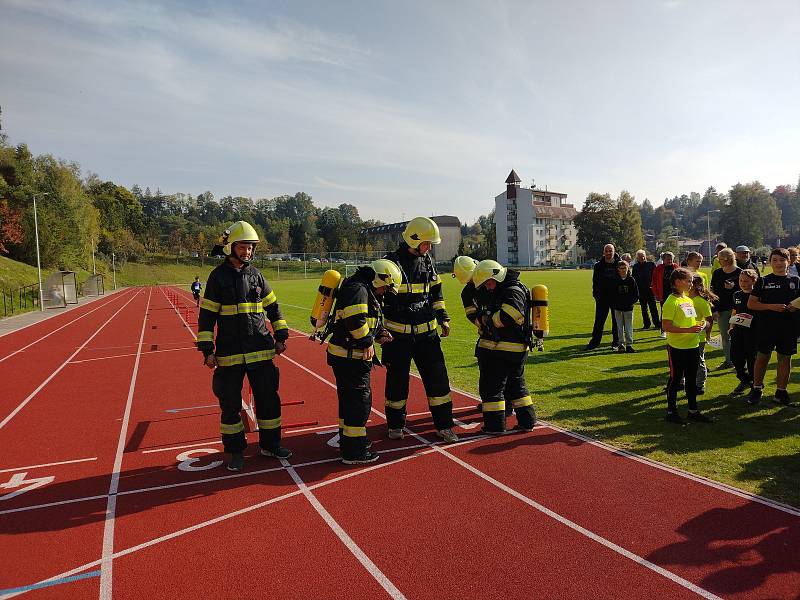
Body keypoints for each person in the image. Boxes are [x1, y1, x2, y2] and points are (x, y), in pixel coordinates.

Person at [196, 221, 291, 472]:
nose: (247, 252)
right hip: (230, 354)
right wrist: (207, 350)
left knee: (269, 401)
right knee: (230, 405)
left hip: (260, 349)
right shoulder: (217, 277)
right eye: (243, 247)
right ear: (230, 248)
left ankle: (270, 445)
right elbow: (207, 317)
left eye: (250, 248)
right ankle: (236, 451)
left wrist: (281, 335)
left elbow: (274, 307)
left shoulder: (256, 275)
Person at [381, 216, 459, 442]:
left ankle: (444, 426)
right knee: (397, 383)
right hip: (398, 337)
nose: (430, 248)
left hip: (428, 336)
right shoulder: (390, 264)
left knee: (438, 381)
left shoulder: (427, 262)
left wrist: (443, 317)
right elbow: (378, 299)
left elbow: (436, 293)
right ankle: (395, 425)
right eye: (427, 244)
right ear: (414, 240)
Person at [327, 260, 402, 464]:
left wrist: (378, 334)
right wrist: (368, 341)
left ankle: (349, 441)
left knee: (349, 402)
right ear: (379, 277)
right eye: (385, 287)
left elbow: (363, 320)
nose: (384, 292)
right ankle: (354, 452)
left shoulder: (361, 287)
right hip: (351, 358)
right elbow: (355, 321)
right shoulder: (359, 289)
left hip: (346, 355)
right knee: (359, 403)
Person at [471, 260, 536, 433]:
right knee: (516, 387)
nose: (488, 287)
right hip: (514, 349)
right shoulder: (507, 288)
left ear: (496, 276)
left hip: (505, 348)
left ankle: (495, 426)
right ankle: (527, 422)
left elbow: (510, 314)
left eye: (489, 283)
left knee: (492, 387)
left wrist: (488, 320)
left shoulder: (512, 290)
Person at [747, 248, 800, 406]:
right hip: (766, 327)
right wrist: (772, 307)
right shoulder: (763, 281)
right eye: (775, 260)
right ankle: (756, 389)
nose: (778, 263)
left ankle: (781, 392)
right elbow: (751, 304)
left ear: (789, 262)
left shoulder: (796, 280)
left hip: (788, 328)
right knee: (762, 357)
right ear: (770, 262)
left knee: (784, 359)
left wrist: (794, 306)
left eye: (782, 260)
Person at [661, 268, 712, 424]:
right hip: (677, 347)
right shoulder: (671, 302)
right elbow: (666, 326)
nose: (691, 284)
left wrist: (701, 325)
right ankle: (671, 411)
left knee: (690, 379)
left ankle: (692, 410)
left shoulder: (688, 299)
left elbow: (691, 321)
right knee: (675, 379)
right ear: (677, 282)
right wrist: (688, 330)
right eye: (688, 281)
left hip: (693, 345)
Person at [709, 248, 741, 370]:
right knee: (725, 336)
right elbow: (712, 292)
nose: (719, 261)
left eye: (721, 259)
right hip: (721, 310)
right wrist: (714, 309)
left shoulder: (740, 273)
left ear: (728, 259)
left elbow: (745, 290)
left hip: (737, 309)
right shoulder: (717, 273)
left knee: (738, 336)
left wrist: (733, 288)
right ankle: (729, 361)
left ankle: (739, 361)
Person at [585, 244, 621, 350]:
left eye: (611, 251)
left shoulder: (620, 264)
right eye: (607, 251)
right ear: (603, 252)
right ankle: (594, 342)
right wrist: (596, 295)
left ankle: (616, 342)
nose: (609, 253)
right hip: (602, 298)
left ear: (614, 251)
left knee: (616, 322)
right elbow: (595, 282)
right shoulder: (598, 266)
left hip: (616, 298)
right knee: (599, 321)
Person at [730, 269, 759, 395]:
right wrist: (731, 326)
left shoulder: (758, 295)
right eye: (741, 280)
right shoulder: (736, 294)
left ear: (754, 281)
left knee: (752, 358)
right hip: (737, 330)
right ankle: (744, 379)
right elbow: (735, 311)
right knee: (736, 358)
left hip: (752, 332)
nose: (742, 283)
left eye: (746, 281)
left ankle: (755, 383)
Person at [688, 275, 716, 395]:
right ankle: (687, 382)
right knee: (687, 361)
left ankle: (700, 384)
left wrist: (708, 335)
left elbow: (709, 320)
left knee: (699, 361)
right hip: (685, 336)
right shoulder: (685, 299)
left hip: (698, 337)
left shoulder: (701, 302)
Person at [611, 261, 638, 353]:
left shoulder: (631, 280)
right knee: (619, 327)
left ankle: (629, 344)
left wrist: (630, 303)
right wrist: (615, 304)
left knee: (628, 327)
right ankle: (621, 344)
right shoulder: (615, 280)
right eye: (621, 268)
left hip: (628, 308)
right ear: (618, 270)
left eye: (624, 268)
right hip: (618, 307)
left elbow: (635, 294)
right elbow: (612, 294)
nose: (623, 270)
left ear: (628, 268)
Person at [632, 250, 660, 330]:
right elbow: (634, 278)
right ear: (637, 258)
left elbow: (655, 276)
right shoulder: (635, 267)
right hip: (640, 290)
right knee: (643, 309)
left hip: (650, 290)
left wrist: (654, 287)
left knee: (653, 307)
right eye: (640, 256)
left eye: (643, 256)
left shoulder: (651, 265)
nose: (642, 258)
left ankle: (657, 323)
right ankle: (646, 324)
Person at [651, 251, 677, 338]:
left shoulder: (676, 267)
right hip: (664, 293)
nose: (669, 261)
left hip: (675, 293)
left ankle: (675, 329)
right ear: (663, 260)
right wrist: (656, 294)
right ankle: (664, 331)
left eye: (671, 259)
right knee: (664, 312)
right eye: (667, 259)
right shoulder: (658, 268)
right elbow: (654, 282)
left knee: (676, 312)